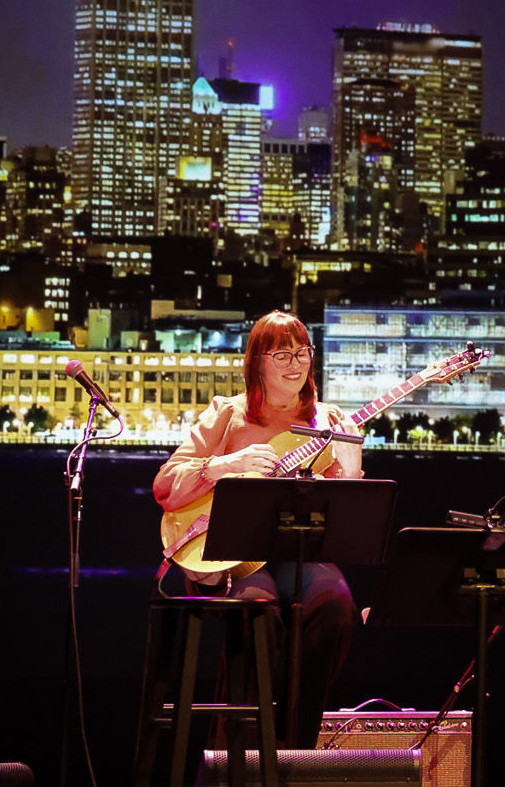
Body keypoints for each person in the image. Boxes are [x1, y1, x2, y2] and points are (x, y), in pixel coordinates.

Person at [153, 310, 363, 747]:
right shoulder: (228, 414)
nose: (295, 363)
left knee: (335, 603)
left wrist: (351, 463)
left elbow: (346, 515)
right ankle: (241, 753)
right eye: (281, 353)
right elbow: (165, 486)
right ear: (257, 362)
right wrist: (224, 465)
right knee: (258, 609)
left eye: (302, 351)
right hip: (227, 552)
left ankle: (294, 745)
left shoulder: (329, 421)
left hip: (294, 550)